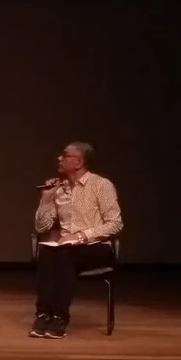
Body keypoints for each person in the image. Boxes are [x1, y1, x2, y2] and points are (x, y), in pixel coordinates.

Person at [31, 141, 123, 339]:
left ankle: (59, 317)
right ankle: (43, 315)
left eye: (65, 155)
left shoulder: (101, 185)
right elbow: (41, 228)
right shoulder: (59, 189)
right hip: (66, 247)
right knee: (46, 253)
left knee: (65, 254)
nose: (59, 158)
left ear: (79, 162)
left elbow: (115, 224)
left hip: (95, 246)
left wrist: (81, 236)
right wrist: (46, 199)